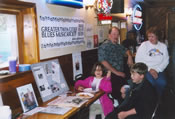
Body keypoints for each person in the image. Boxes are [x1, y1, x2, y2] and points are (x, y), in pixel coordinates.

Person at [98, 26, 133, 103]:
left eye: (117, 34)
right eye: (114, 34)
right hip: (110, 75)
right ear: (109, 35)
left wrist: (130, 56)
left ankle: (122, 106)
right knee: (122, 92)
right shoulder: (104, 46)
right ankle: (118, 107)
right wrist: (117, 73)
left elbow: (126, 50)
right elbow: (103, 61)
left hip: (120, 74)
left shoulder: (118, 46)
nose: (116, 36)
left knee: (129, 89)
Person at [135, 27, 169, 96]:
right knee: (151, 82)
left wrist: (157, 70)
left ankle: (158, 99)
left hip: (159, 70)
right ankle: (149, 99)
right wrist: (150, 69)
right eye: (149, 36)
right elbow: (138, 60)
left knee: (162, 83)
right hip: (146, 70)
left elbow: (166, 61)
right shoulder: (144, 45)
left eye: (152, 36)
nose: (150, 39)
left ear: (157, 36)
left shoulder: (163, 46)